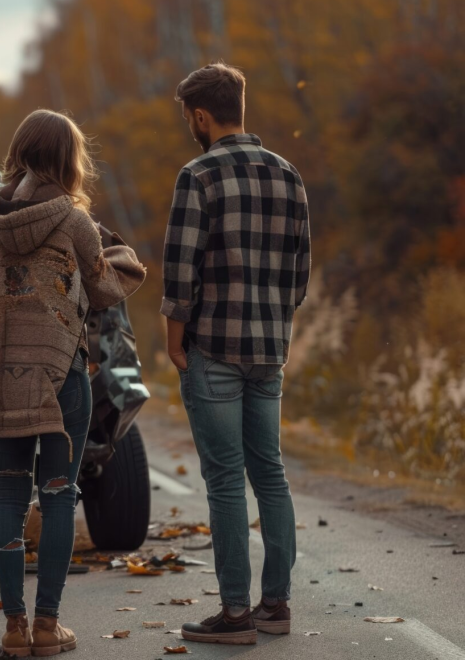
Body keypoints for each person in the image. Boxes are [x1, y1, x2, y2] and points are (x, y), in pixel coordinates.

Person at [0, 109, 145, 657]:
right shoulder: (75, 221)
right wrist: (121, 254)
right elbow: (105, 289)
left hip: (0, 377)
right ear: (68, 161)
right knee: (59, 498)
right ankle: (47, 626)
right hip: (62, 379)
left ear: (19, 152)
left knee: (10, 495)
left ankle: (14, 629)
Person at [161, 62, 311, 645]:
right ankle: (276, 605)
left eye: (187, 117)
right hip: (269, 350)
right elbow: (299, 276)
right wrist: (273, 324)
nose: (189, 126)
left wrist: (174, 340)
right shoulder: (289, 174)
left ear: (201, 116)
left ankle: (234, 615)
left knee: (225, 481)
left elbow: (181, 270)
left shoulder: (196, 175)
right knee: (270, 474)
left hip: (215, 349)